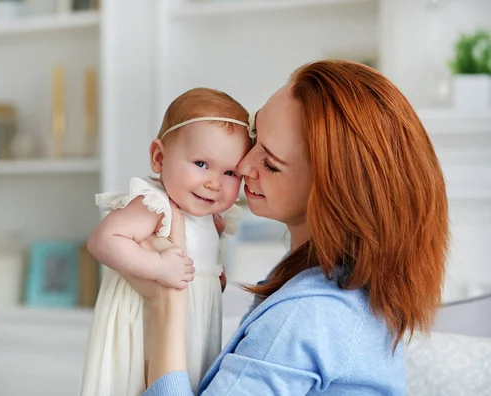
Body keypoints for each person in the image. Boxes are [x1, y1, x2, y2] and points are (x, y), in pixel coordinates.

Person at [138, 60, 449, 395]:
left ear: (333, 192)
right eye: (254, 136)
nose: (242, 166)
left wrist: (168, 302)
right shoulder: (343, 287)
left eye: (270, 164)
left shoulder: (306, 315)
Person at [79, 87, 253, 396]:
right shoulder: (154, 204)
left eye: (229, 172)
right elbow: (103, 240)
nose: (214, 182)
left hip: (192, 324)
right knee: (144, 380)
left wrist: (214, 275)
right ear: (159, 157)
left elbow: (199, 266)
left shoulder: (210, 218)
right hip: (148, 326)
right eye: (201, 164)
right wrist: (158, 266)